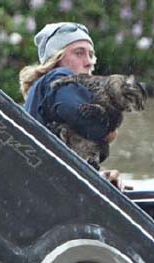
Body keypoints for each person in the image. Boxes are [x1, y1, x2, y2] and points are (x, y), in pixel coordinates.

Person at [20, 22, 128, 190]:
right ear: (56, 60)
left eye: (91, 54)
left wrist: (99, 178)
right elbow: (81, 116)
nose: (89, 62)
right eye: (79, 53)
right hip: (47, 191)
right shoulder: (59, 76)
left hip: (45, 188)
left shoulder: (44, 95)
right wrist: (108, 130)